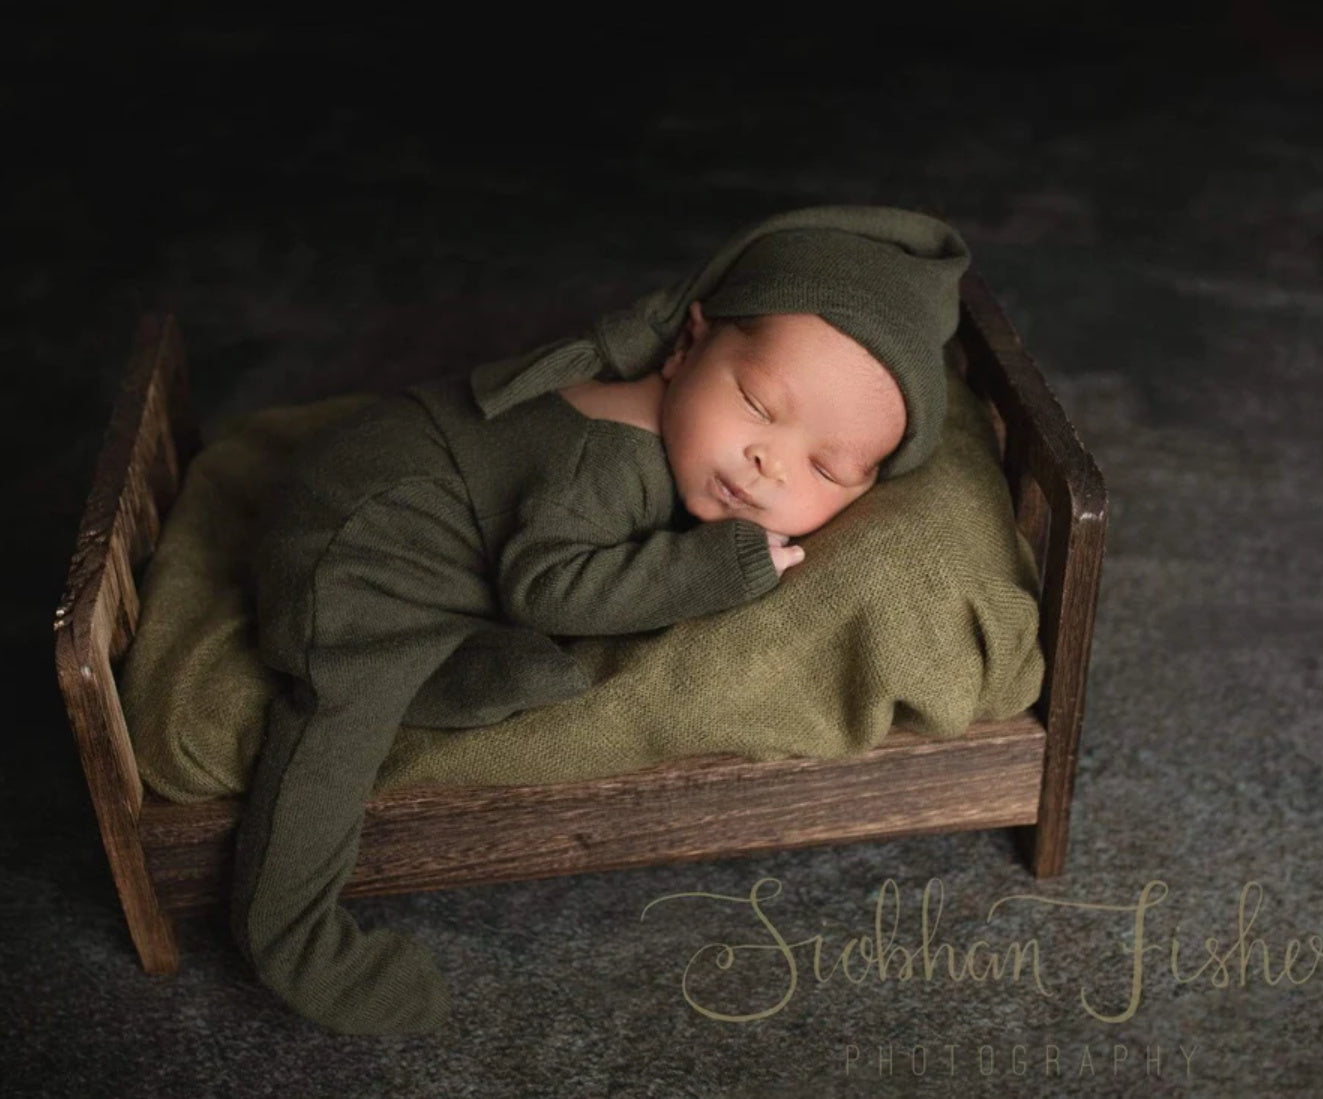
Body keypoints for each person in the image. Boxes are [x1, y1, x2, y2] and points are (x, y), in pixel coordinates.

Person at [232, 206, 971, 1034]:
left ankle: (449, 667)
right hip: (360, 539)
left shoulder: (678, 431)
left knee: (517, 659)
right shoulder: (612, 458)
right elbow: (548, 587)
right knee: (336, 716)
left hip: (443, 508)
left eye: (826, 466)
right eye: (760, 405)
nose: (770, 463)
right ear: (688, 344)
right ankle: (289, 937)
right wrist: (708, 569)